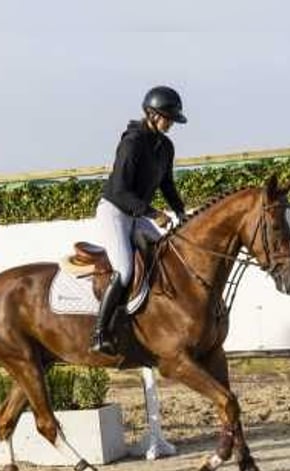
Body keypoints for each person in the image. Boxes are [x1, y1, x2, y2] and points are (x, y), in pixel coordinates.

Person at [90, 85, 189, 355]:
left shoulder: (165, 146)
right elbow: (121, 191)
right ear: (151, 114)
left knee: (169, 255)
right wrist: (153, 213)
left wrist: (181, 212)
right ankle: (100, 333)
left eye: (172, 119)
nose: (170, 124)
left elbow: (167, 184)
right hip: (115, 211)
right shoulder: (132, 143)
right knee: (124, 270)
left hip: (137, 214)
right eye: (167, 118)